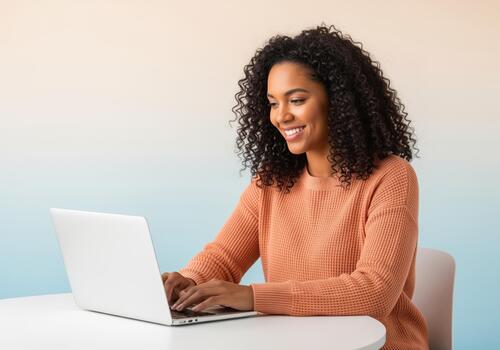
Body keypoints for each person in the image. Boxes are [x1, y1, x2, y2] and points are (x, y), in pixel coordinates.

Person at [162, 24, 428, 349]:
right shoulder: (271, 183)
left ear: (339, 100)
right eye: (273, 103)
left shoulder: (391, 178)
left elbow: (374, 291)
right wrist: (188, 282)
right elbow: (224, 257)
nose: (282, 116)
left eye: (297, 100)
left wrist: (253, 297)